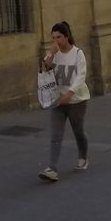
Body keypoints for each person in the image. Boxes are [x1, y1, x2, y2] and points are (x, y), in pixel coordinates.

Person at [38, 21, 91, 181]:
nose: (56, 41)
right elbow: (43, 71)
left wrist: (70, 92)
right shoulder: (54, 54)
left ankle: (83, 157)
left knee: (78, 131)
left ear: (67, 36)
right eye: (53, 38)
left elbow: (81, 75)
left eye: (59, 37)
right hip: (57, 101)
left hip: (77, 100)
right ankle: (52, 169)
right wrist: (51, 54)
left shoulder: (77, 53)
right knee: (55, 135)